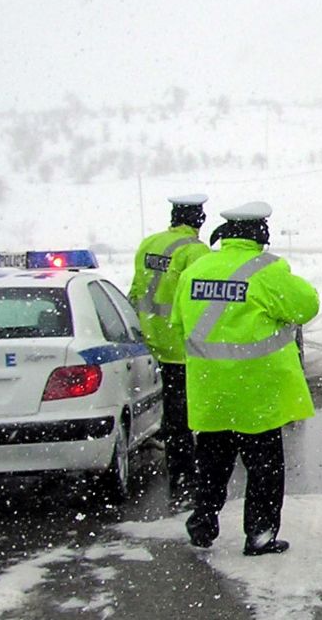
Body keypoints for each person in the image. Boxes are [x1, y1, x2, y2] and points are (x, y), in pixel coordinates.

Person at [171, 201, 319, 557]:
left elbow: (178, 323)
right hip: (257, 393)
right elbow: (306, 306)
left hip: (211, 391)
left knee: (211, 466)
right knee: (264, 471)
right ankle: (259, 535)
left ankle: (203, 522)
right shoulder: (267, 271)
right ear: (259, 233)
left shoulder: (197, 268)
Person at [128, 193, 210, 505]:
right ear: (198, 220)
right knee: (189, 418)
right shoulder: (196, 251)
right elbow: (200, 301)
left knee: (173, 415)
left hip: (151, 341)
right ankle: (187, 479)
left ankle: (180, 477)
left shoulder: (148, 244)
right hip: (182, 346)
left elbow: (137, 289)